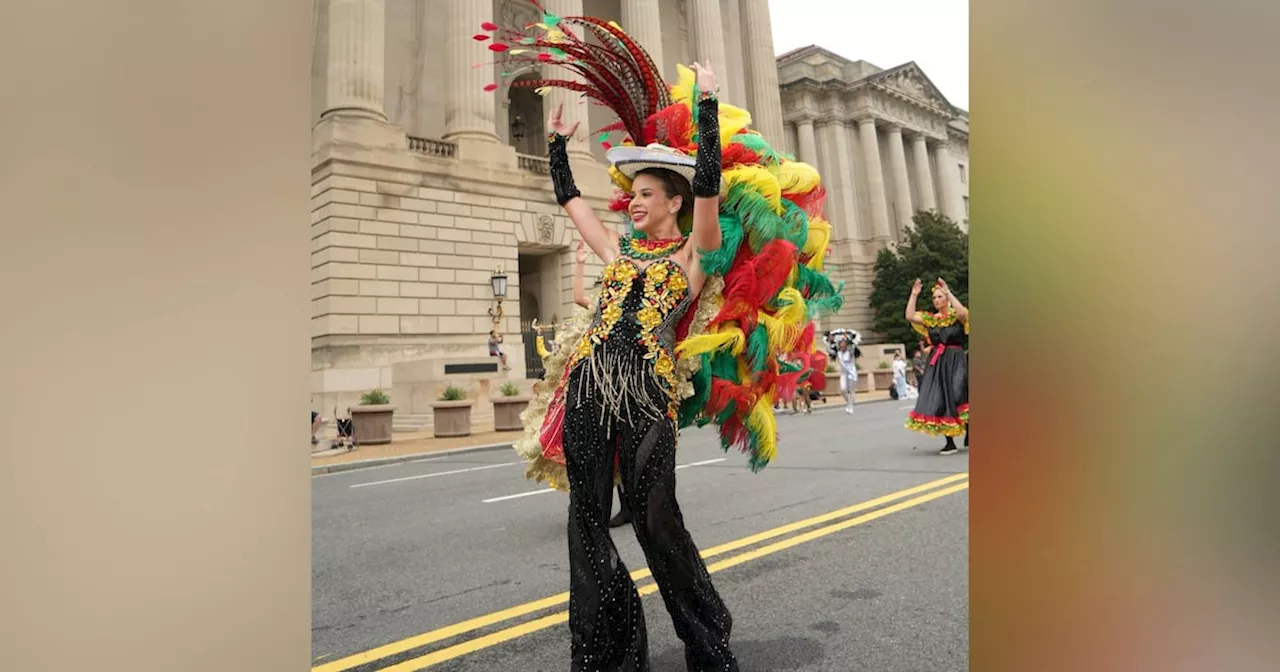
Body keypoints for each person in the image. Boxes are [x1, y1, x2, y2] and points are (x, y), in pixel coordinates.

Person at [488, 10, 843, 669]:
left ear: (673, 201)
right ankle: (608, 654)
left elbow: (707, 183)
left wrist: (706, 106)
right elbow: (574, 205)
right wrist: (562, 147)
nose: (637, 202)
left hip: (647, 391)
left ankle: (705, 638)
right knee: (587, 521)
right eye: (635, 194)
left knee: (655, 519)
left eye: (647, 193)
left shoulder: (692, 254)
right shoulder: (620, 253)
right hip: (590, 387)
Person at [905, 277, 970, 454]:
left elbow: (963, 313)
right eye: (934, 297)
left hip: (956, 359)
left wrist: (948, 291)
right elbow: (910, 316)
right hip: (938, 362)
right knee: (941, 397)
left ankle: (969, 427)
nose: (936, 300)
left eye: (940, 297)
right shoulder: (931, 319)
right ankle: (949, 441)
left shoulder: (956, 316)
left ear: (947, 298)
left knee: (958, 392)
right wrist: (914, 294)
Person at [836, 338, 859, 414]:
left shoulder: (850, 352)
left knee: (852, 391)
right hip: (843, 373)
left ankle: (850, 407)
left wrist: (850, 340)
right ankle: (849, 402)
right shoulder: (839, 353)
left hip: (851, 373)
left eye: (844, 344)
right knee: (843, 390)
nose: (842, 345)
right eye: (841, 344)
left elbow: (854, 347)